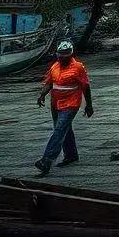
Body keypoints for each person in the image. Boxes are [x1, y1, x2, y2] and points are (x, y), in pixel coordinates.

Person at [34, 40, 94, 175]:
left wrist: (88, 105)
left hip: (71, 103)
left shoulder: (78, 67)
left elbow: (86, 86)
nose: (62, 57)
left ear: (71, 54)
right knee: (64, 128)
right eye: (60, 55)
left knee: (59, 129)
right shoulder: (55, 66)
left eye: (65, 55)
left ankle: (47, 160)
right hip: (55, 103)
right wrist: (42, 95)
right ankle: (71, 155)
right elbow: (49, 82)